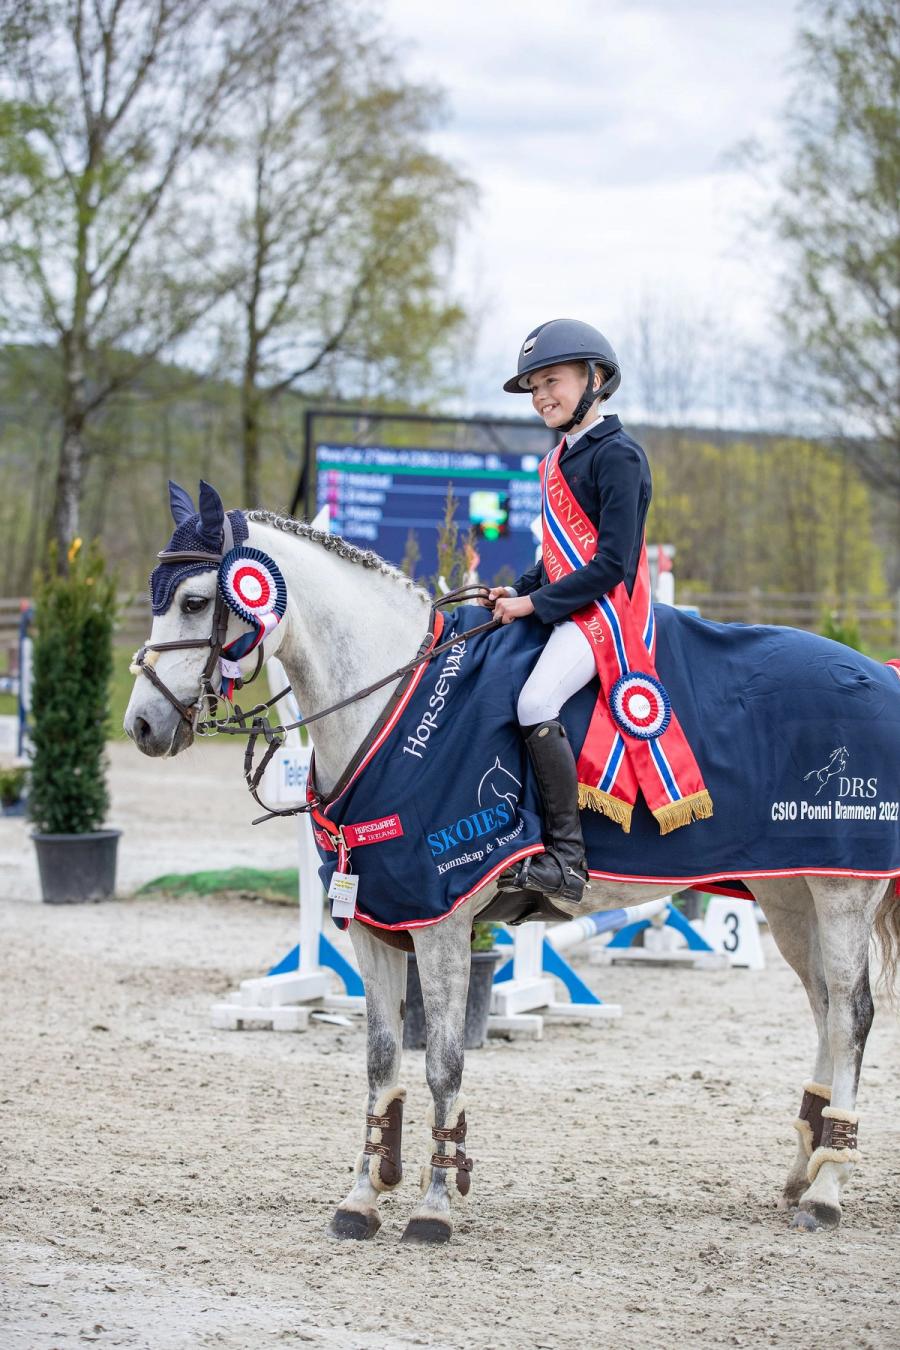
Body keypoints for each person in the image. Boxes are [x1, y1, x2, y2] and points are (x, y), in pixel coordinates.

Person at [485, 318, 653, 909]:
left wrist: (534, 604)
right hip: (568, 605)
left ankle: (567, 858)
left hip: (605, 614)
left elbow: (610, 564)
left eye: (551, 381)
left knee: (535, 702)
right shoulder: (559, 459)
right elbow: (556, 557)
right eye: (534, 388)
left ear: (595, 379)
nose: (541, 397)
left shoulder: (619, 455)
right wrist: (516, 590)